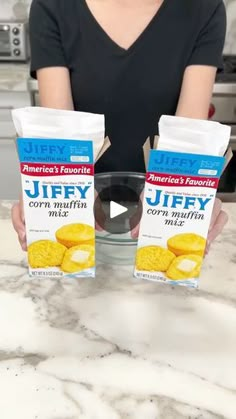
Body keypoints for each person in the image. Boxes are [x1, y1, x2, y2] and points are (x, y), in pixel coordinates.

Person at [12, 0, 228, 251]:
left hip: (161, 219)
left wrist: (189, 196)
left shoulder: (204, 7)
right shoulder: (52, 6)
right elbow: (62, 132)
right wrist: (48, 193)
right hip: (83, 216)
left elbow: (188, 132)